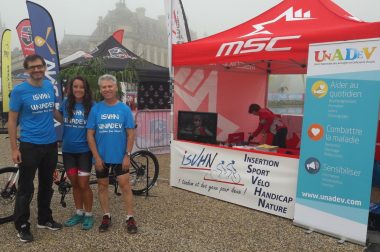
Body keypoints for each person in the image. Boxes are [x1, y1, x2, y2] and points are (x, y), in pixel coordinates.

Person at [8, 54, 63, 243]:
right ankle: (22, 225)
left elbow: (53, 111)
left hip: (50, 144)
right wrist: (15, 148)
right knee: (26, 188)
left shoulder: (48, 86)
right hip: (30, 144)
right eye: (33, 67)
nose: (37, 69)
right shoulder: (19, 90)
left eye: (40, 66)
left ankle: (44, 218)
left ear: (44, 68)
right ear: (27, 70)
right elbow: (12, 121)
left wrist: (69, 122)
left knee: (46, 185)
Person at [86, 74, 138, 234]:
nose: (107, 89)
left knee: (125, 186)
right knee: (102, 186)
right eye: (104, 87)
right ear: (100, 90)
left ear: (115, 88)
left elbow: (130, 134)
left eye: (110, 86)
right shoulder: (96, 109)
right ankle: (106, 215)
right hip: (101, 157)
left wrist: (127, 155)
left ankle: (130, 217)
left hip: (120, 157)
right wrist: (96, 157)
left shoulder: (124, 109)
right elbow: (90, 135)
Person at [59, 76, 94, 230]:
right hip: (68, 152)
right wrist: (50, 109)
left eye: (81, 87)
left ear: (86, 90)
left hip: (84, 152)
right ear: (71, 88)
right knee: (74, 184)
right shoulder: (66, 103)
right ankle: (78, 212)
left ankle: (89, 214)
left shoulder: (92, 106)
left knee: (84, 184)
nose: (78, 89)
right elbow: (61, 118)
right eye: (75, 86)